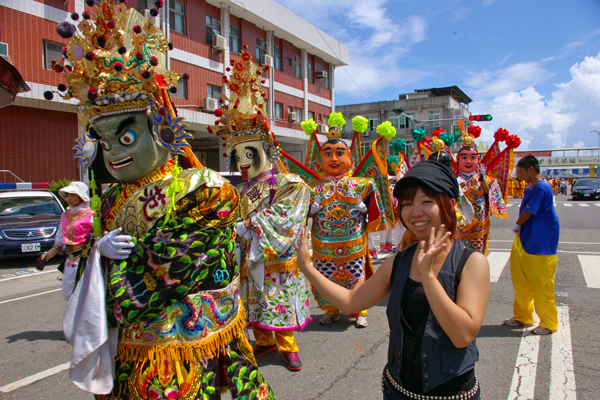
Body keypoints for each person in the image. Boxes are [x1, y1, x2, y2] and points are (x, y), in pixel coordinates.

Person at [51, 2, 275, 398]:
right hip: (127, 348)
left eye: (124, 137)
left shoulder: (206, 189)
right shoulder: (109, 200)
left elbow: (168, 268)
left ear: (160, 129)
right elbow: (88, 256)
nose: (113, 153)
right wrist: (94, 252)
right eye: (103, 142)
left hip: (182, 347)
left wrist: (106, 266)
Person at [298, 161, 489, 399]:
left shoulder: (471, 262)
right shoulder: (398, 263)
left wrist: (428, 277)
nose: (415, 212)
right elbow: (350, 302)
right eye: (407, 204)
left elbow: (463, 336)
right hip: (397, 391)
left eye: (426, 201)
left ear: (449, 204)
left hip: (452, 393)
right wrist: (307, 267)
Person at [214, 46, 312, 372]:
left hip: (275, 259)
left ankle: (288, 346)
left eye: (250, 151)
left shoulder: (290, 183)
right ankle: (264, 342)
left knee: (278, 301)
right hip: (247, 260)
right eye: (238, 153)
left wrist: (251, 226)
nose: (243, 160)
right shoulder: (239, 190)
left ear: (266, 148)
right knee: (253, 303)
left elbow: (288, 220)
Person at [309, 113, 387, 328]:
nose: (334, 159)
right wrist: (311, 210)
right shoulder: (313, 188)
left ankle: (360, 310)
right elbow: (302, 213)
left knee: (355, 276)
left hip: (353, 242)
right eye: (328, 154)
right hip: (323, 246)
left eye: (339, 153)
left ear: (350, 156)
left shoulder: (362, 184)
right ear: (320, 158)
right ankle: (331, 310)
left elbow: (375, 209)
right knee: (326, 278)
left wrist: (364, 208)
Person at [503, 155, 560, 335]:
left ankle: (549, 322)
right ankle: (522, 316)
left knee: (541, 284)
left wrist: (517, 223)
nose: (518, 174)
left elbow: (529, 211)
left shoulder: (542, 188)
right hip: (525, 238)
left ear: (531, 169)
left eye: (520, 171)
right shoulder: (529, 189)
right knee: (521, 281)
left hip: (541, 242)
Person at [455, 125, 507, 255]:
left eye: (473, 157)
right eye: (464, 157)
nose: (468, 161)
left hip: (479, 227)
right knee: (458, 257)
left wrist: (482, 178)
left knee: (476, 257)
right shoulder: (453, 181)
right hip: (458, 228)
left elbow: (488, 193)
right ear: (458, 160)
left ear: (478, 160)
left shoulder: (489, 180)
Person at [40, 181, 94, 301]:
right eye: (67, 195)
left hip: (86, 259)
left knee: (87, 295)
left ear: (80, 196)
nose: (69, 198)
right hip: (69, 258)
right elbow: (60, 239)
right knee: (68, 294)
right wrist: (48, 255)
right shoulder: (65, 215)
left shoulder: (91, 215)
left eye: (72, 195)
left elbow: (99, 237)